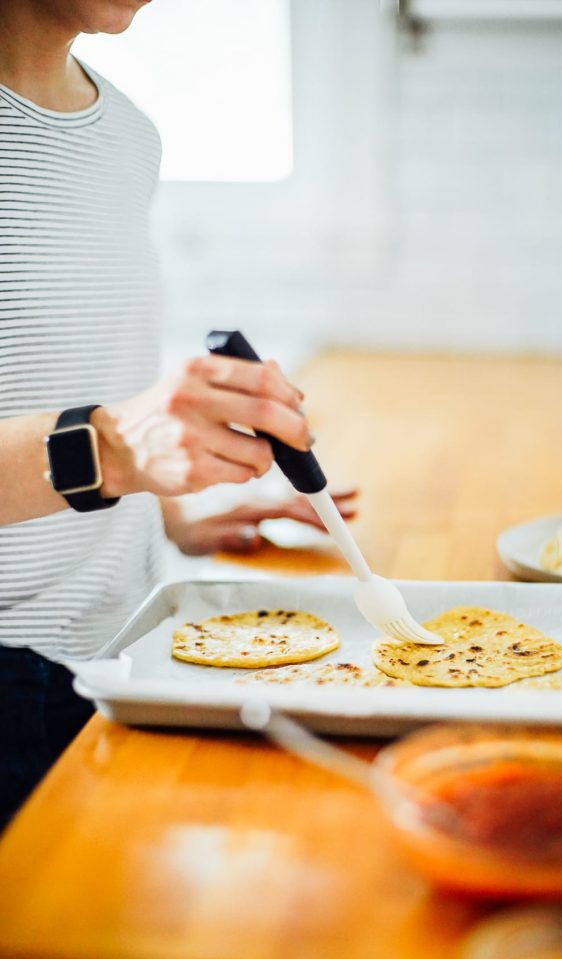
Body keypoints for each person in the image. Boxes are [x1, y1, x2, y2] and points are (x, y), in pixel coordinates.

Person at [0, 0, 356, 830]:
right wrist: (117, 450)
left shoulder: (126, 136)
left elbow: (82, 372)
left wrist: (176, 513)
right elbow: (96, 434)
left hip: (123, 647)